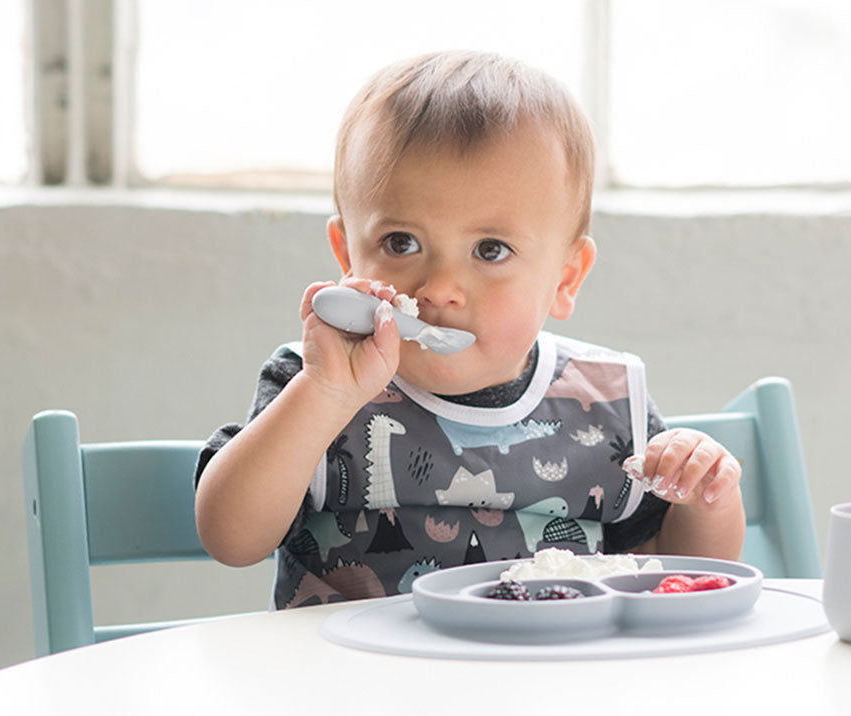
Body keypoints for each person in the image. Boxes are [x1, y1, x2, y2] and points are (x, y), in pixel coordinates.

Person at [194, 50, 744, 608]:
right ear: (347, 257)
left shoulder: (602, 407)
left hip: (548, 686)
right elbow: (231, 539)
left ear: (565, 278)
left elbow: (684, 572)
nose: (439, 287)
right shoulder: (318, 378)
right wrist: (325, 394)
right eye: (400, 243)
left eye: (490, 250)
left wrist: (705, 499)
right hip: (356, 685)